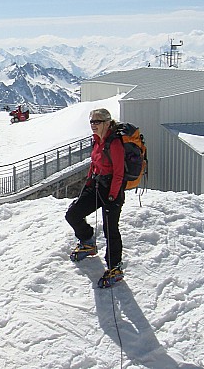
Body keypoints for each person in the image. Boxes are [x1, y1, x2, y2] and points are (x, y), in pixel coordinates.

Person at [65, 108, 126, 288]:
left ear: (107, 123)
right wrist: (89, 183)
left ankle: (115, 268)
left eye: (97, 122)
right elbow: (94, 163)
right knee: (73, 214)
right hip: (97, 185)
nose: (93, 125)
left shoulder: (115, 143)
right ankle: (88, 242)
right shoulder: (97, 140)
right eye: (92, 121)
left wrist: (112, 196)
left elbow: (119, 173)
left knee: (110, 229)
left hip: (112, 190)